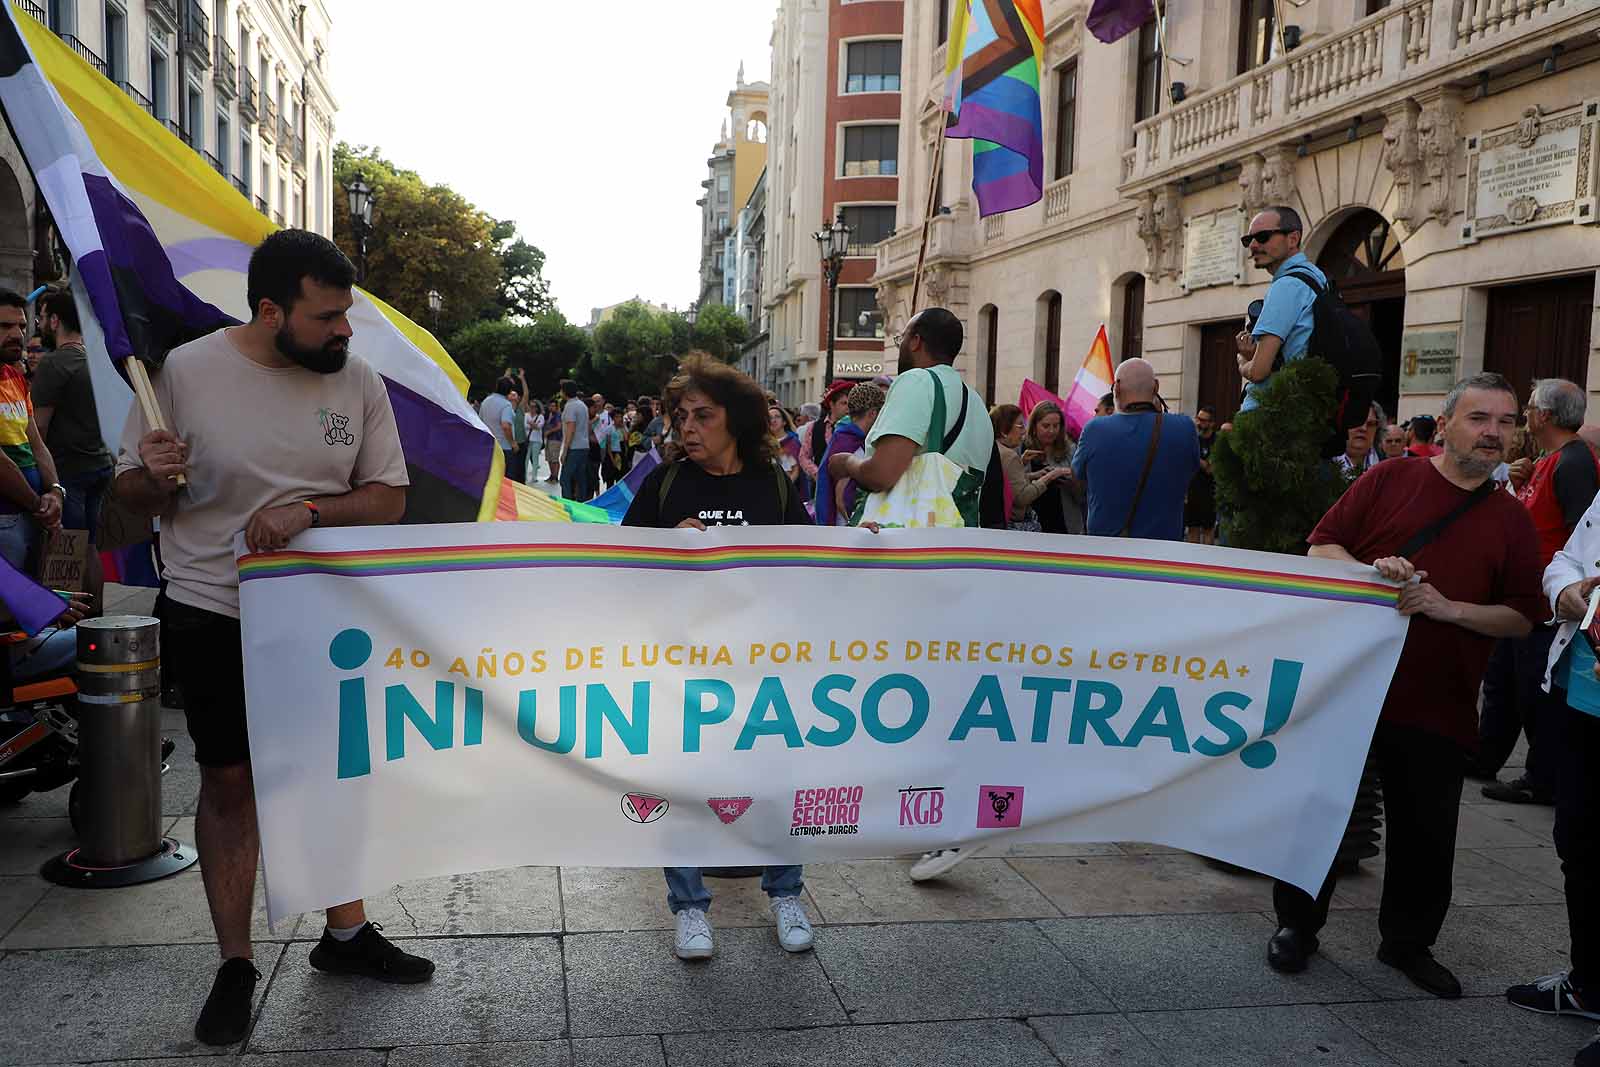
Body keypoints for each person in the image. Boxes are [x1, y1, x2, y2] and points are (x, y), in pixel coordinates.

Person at [111, 231, 432, 1046]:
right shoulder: (184, 372)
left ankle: (347, 933)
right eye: (327, 316)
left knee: (337, 772)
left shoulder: (357, 382)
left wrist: (311, 511)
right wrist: (151, 476)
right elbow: (125, 506)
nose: (345, 331)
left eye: (345, 314)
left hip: (324, 615)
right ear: (268, 310)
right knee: (228, 780)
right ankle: (235, 961)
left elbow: (390, 496)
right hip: (212, 607)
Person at [1265, 372, 1542, 999]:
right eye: (1479, 418)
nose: (1493, 432)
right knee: (1319, 817)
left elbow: (1523, 616)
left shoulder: (1510, 520)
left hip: (1438, 701)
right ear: (1443, 426)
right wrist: (1369, 573)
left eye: (1505, 422)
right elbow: (1320, 548)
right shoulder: (1389, 479)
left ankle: (1408, 945)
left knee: (1427, 831)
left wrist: (1451, 610)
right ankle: (1296, 929)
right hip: (1349, 688)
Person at [621, 354, 814, 960]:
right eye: (681, 417)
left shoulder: (774, 481)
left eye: (703, 415)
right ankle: (689, 909)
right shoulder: (666, 482)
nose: (688, 428)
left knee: (776, 780)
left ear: (737, 419)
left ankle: (785, 893)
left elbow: (808, 559)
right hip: (684, 664)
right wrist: (667, 549)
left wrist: (862, 551)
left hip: (761, 665)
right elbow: (619, 563)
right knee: (683, 784)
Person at [1505, 493, 1600, 1067]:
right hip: (1580, 698)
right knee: (1581, 846)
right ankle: (1589, 985)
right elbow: (1566, 557)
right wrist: (1564, 592)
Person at [1473, 379, 1599, 802]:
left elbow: (1583, 539)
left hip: (1551, 607)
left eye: (1527, 408)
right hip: (1526, 598)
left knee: (1535, 694)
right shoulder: (1548, 459)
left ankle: (1542, 779)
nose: (1525, 415)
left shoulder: (1575, 462)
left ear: (1543, 416)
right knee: (1504, 685)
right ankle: (1484, 757)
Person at [828, 307, 994, 530]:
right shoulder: (975, 401)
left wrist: (847, 463)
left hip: (911, 544)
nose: (900, 347)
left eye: (901, 339)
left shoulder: (917, 381)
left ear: (916, 341)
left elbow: (881, 474)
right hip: (959, 540)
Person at [1072, 359, 1199, 540]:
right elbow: (1190, 472)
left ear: (1116, 389)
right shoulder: (1185, 428)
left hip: (1107, 549)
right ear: (1156, 387)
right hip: (1165, 550)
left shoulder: (1094, 430)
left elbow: (1078, 478)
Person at [32, 288, 113, 541]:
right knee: (89, 547)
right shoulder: (97, 360)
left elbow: (39, 428)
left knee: (67, 552)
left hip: (69, 471)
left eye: (43, 317)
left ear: (55, 321)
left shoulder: (53, 363)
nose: (41, 324)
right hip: (100, 465)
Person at [1235, 206, 1325, 412]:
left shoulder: (1286, 286)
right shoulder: (1316, 278)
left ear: (1293, 239)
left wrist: (1242, 362)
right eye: (1248, 240)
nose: (1254, 245)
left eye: (1263, 237)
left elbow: (1258, 371)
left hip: (1271, 416)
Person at [0, 290, 63, 573]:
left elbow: (36, 443)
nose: (17, 334)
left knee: (39, 607)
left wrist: (56, 491)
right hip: (7, 518)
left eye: (22, 326)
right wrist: (39, 504)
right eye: (4, 326)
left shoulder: (14, 377)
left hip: (32, 515)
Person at [816, 382, 884, 527]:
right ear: (873, 413)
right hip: (845, 526)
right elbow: (842, 496)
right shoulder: (854, 444)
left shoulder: (841, 437)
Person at [992, 403, 1068, 530]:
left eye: (1056, 426)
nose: (1023, 432)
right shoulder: (1011, 455)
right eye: (1020, 426)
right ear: (1004, 431)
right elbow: (1022, 497)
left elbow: (1006, 481)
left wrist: (1034, 475)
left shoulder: (995, 448)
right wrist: (1049, 477)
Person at [1023, 400, 1084, 535]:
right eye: (1046, 426)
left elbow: (1083, 493)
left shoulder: (1070, 450)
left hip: (1065, 524)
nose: (1051, 431)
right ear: (1034, 426)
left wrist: (1071, 482)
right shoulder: (1022, 449)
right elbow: (1015, 489)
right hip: (1031, 525)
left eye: (1056, 426)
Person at [1185, 404, 1219, 543]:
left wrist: (1193, 454)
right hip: (1192, 491)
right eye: (1198, 418)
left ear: (1212, 423)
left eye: (1203, 420)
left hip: (1210, 493)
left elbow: (1211, 469)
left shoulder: (1217, 441)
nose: (1198, 422)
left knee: (1208, 530)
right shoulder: (1193, 439)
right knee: (1192, 529)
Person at [478, 377, 519, 483]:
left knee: (490, 479)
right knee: (505, 481)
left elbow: (480, 422)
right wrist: (513, 443)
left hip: (488, 446)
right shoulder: (506, 405)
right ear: (509, 391)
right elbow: (506, 425)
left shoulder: (486, 402)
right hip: (503, 447)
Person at [558, 379, 591, 501]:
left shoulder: (570, 406)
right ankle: (582, 502)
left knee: (565, 478)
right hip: (584, 445)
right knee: (580, 477)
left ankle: (567, 503)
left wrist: (565, 450)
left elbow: (570, 428)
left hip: (574, 446)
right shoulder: (582, 405)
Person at [1335, 403, 1382, 481]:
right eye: (1357, 422)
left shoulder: (1388, 466)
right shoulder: (1317, 466)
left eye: (1370, 424)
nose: (1364, 428)